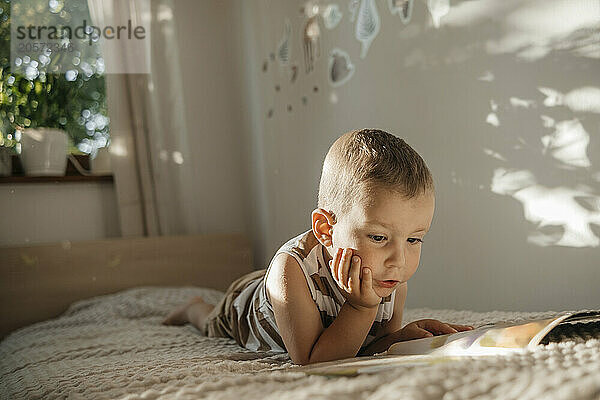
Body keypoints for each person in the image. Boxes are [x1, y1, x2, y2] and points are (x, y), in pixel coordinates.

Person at [163, 128, 473, 365]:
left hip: (298, 289)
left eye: (413, 239)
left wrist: (401, 338)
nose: (398, 260)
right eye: (378, 237)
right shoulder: (291, 270)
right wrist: (360, 306)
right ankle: (193, 307)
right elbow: (312, 361)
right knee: (209, 323)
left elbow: (367, 346)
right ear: (326, 229)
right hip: (246, 306)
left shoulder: (389, 275)